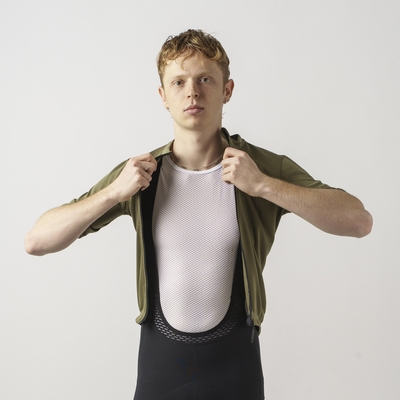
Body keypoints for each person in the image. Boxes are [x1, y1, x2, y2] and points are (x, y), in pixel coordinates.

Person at [25, 29, 373, 400]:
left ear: (227, 90)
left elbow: (358, 221)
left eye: (205, 79)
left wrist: (263, 185)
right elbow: (37, 241)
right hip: (160, 371)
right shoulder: (142, 174)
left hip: (236, 369)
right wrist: (113, 192)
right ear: (163, 96)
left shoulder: (258, 168)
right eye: (179, 82)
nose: (192, 92)